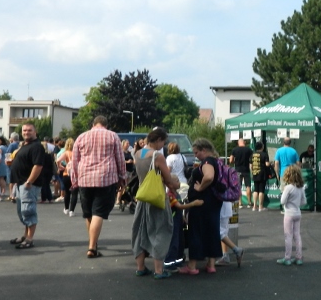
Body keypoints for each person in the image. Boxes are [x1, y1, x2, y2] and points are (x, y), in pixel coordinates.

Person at [70, 116, 127, 259]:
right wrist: (122, 177)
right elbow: (120, 159)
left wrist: (74, 180)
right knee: (98, 213)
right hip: (105, 178)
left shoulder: (81, 137)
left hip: (84, 178)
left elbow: (74, 161)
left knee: (88, 213)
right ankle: (92, 247)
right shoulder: (112, 136)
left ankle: (93, 243)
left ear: (93, 124)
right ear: (106, 124)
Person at [131, 127, 178, 278]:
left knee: (140, 231)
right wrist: (176, 185)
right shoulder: (157, 156)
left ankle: (140, 267)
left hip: (142, 197)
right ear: (158, 140)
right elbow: (168, 180)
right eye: (163, 142)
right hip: (157, 198)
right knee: (161, 230)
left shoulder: (137, 154)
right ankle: (159, 270)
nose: (163, 145)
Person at [179, 138, 223, 274]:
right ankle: (211, 264)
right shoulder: (217, 161)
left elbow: (209, 176)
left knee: (196, 232)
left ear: (204, 150)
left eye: (196, 152)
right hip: (213, 201)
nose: (195, 155)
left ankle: (192, 266)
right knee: (212, 231)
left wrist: (200, 188)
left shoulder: (208, 161)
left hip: (202, 203)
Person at [9, 123, 46, 250]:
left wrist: (29, 181)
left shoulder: (37, 146)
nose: (26, 132)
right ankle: (25, 235)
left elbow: (38, 166)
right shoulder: (25, 145)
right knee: (22, 211)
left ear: (35, 132)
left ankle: (29, 239)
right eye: (24, 130)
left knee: (28, 211)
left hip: (29, 185)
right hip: (20, 184)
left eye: (29, 130)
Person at [277, 165, 307, 266]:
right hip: (298, 213)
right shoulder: (301, 188)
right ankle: (299, 257)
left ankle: (287, 258)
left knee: (288, 236)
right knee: (297, 235)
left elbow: (282, 201)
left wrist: (287, 202)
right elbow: (304, 201)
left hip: (289, 214)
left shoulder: (288, 188)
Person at [215, 202, 245, 267]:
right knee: (223, 233)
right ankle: (226, 256)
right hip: (225, 209)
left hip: (221, 209)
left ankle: (236, 249)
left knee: (218, 233)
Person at [229, 139, 253, 208]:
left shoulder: (234, 150)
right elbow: (252, 158)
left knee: (238, 186)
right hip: (246, 170)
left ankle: (240, 203)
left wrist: (234, 161)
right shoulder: (248, 150)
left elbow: (231, 160)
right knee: (248, 186)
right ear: (244, 142)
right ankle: (249, 202)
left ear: (238, 143)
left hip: (238, 170)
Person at [57, 138, 78, 217]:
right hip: (76, 175)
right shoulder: (77, 153)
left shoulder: (66, 153)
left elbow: (58, 160)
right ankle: (72, 211)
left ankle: (66, 208)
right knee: (75, 193)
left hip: (66, 174)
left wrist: (60, 167)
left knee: (67, 192)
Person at [250, 141, 270, 211]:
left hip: (255, 173)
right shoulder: (264, 154)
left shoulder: (252, 154)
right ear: (262, 147)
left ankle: (254, 206)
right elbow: (267, 164)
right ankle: (260, 207)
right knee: (261, 190)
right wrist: (270, 164)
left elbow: (251, 166)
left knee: (256, 190)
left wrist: (252, 172)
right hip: (262, 173)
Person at [5, 132, 20, 202]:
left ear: (12, 138)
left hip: (11, 164)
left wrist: (7, 162)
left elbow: (8, 154)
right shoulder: (20, 144)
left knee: (11, 180)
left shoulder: (12, 145)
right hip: (18, 164)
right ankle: (16, 194)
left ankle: (11, 195)